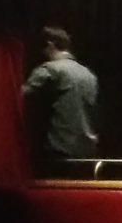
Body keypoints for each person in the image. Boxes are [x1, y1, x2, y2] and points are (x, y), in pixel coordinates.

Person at [22, 26, 99, 172]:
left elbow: (19, 98)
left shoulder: (50, 70)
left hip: (58, 149)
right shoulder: (89, 75)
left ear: (50, 44)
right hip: (86, 150)